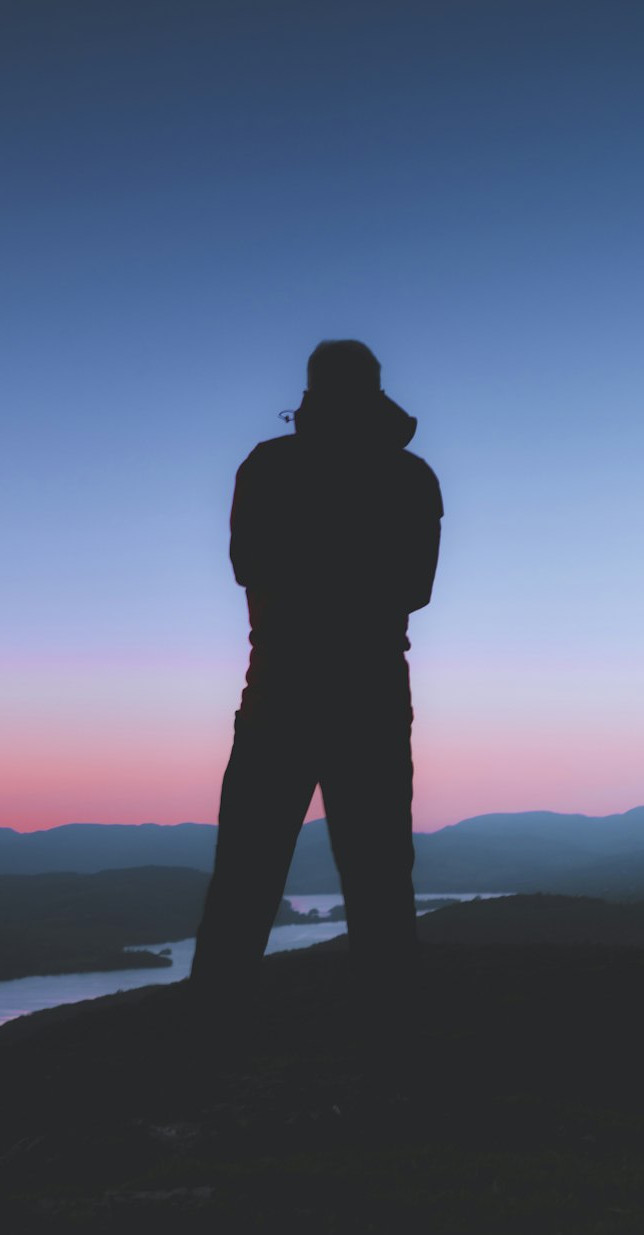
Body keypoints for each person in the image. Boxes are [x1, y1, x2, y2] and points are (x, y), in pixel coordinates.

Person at [191, 339, 443, 995]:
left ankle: (213, 1027)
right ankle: (391, 1028)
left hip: (284, 689)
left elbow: (251, 565)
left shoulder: (270, 467)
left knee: (250, 868)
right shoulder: (409, 477)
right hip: (369, 693)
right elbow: (413, 587)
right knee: (379, 870)